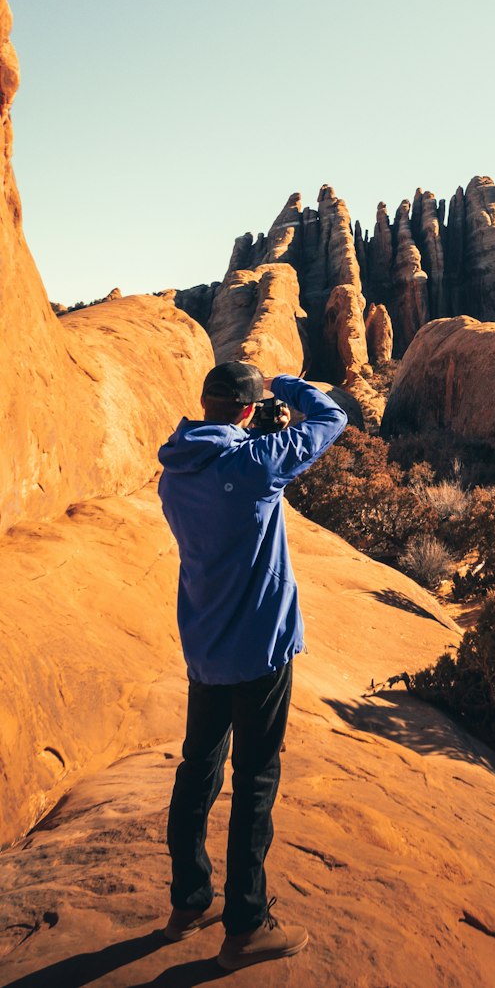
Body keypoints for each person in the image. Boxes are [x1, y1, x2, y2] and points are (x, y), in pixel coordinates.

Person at [157, 361, 347, 970]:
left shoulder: (175, 472)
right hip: (261, 649)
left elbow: (224, 484)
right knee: (255, 779)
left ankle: (188, 901)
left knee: (198, 767)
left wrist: (251, 429)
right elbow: (333, 417)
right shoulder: (257, 463)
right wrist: (285, 386)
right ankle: (244, 924)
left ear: (206, 403)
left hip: (205, 645)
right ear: (245, 410)